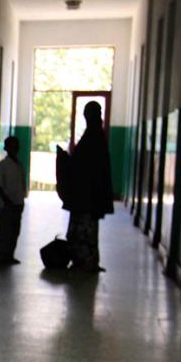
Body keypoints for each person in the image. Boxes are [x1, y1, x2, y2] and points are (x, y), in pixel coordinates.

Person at [64, 100, 114, 272]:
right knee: (89, 229)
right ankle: (89, 261)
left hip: (85, 196)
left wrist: (67, 161)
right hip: (91, 195)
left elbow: (84, 167)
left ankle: (84, 261)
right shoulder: (96, 136)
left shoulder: (91, 138)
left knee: (83, 230)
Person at [0, 135, 26, 266]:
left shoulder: (18, 164)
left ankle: (9, 256)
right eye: (11, 145)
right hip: (7, 205)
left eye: (16, 145)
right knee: (5, 232)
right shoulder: (3, 165)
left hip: (18, 203)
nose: (14, 148)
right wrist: (7, 201)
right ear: (6, 148)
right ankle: (1, 257)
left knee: (14, 232)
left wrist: (21, 201)